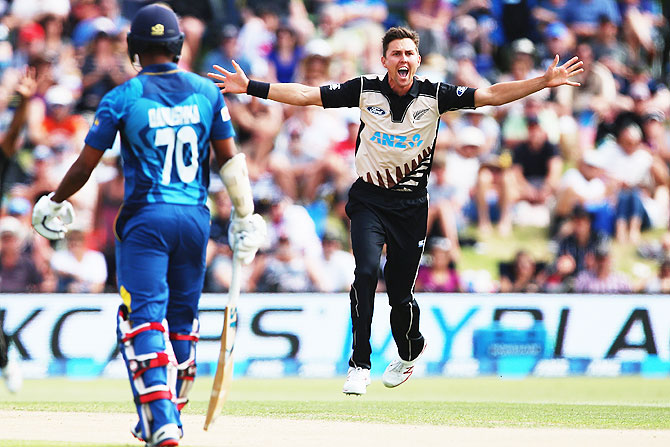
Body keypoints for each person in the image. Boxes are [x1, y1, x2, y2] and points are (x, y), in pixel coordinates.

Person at [209, 26, 583, 395]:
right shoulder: (365, 89)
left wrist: (543, 82)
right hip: (369, 199)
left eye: (409, 54)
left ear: (417, 60)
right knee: (367, 272)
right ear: (384, 59)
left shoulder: (436, 95)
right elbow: (307, 94)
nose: (403, 59)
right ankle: (359, 364)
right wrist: (251, 86)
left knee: (400, 295)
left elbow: (491, 95)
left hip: (411, 206)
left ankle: (409, 350)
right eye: (396, 53)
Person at [31, 4, 266, 447]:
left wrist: (54, 199)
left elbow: (86, 164)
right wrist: (245, 212)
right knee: (181, 319)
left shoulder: (123, 96)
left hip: (146, 221)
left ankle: (161, 420)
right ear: (178, 46)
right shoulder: (206, 93)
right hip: (195, 221)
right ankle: (168, 413)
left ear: (135, 49)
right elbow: (231, 161)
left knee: (141, 319)